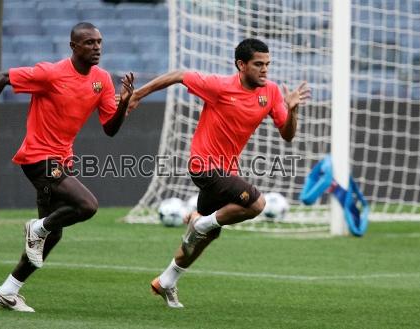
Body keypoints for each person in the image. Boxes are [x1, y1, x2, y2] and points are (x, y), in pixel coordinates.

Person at [0, 22, 134, 312]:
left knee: (53, 235)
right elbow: (2, 76)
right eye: (89, 43)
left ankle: (9, 290)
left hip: (61, 160)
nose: (96, 47)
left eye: (99, 42)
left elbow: (109, 129)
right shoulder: (51, 73)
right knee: (87, 206)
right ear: (73, 46)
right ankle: (37, 227)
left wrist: (123, 105)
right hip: (37, 157)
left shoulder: (102, 80)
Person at [128, 38, 310, 308]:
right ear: (241, 65)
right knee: (256, 203)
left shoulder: (270, 92)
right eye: (258, 64)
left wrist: (292, 111)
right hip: (203, 165)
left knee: (208, 235)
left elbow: (287, 134)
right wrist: (138, 95)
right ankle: (199, 222)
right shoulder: (219, 86)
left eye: (267, 64)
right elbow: (179, 75)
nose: (265, 70)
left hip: (226, 171)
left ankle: (166, 280)